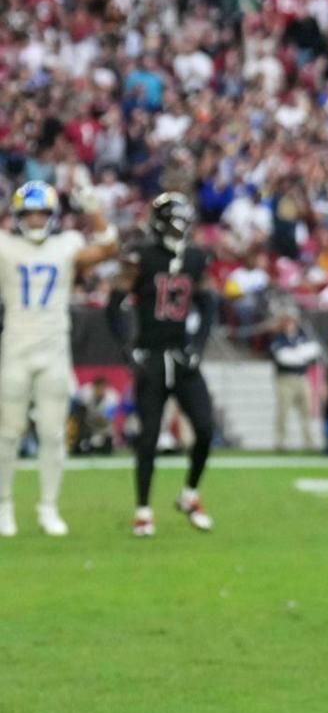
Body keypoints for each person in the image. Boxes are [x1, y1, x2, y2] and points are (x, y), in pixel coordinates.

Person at [0, 180, 119, 536]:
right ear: (18, 215)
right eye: (29, 213)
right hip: (16, 349)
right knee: (8, 433)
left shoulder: (66, 245)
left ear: (52, 214)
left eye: (41, 212)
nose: (36, 219)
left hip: (53, 350)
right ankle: (4, 505)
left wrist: (94, 210)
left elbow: (108, 248)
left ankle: (48, 507)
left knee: (53, 434)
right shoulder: (6, 246)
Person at [108, 191, 221, 538]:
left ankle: (190, 494)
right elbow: (114, 305)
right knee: (149, 437)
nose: (180, 233)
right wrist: (130, 350)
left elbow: (209, 304)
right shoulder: (140, 257)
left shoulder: (196, 258)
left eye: (184, 227)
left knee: (205, 428)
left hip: (181, 354)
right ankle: (143, 511)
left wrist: (198, 346)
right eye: (174, 226)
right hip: (152, 356)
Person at [269, 310, 323, 452]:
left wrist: (297, 354)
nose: (290, 324)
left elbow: (315, 350)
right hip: (285, 379)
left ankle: (309, 441)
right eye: (288, 321)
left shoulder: (302, 336)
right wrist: (300, 355)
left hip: (302, 378)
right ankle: (280, 442)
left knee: (307, 411)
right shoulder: (278, 339)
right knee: (283, 411)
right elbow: (284, 358)